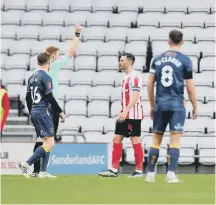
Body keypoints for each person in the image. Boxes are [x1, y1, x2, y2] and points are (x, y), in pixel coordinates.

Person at [145, 30, 198, 183]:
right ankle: (171, 175)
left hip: (161, 104)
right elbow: (190, 88)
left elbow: (149, 85)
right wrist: (195, 106)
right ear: (181, 42)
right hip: (177, 105)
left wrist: (152, 105)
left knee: (156, 139)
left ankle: (150, 175)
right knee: (174, 140)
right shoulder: (185, 61)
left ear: (169, 41)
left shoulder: (156, 60)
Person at [31, 24, 82, 177]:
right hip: (49, 107)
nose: (60, 57)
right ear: (52, 56)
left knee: (41, 139)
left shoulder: (36, 71)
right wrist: (77, 34)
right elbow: (72, 52)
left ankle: (36, 171)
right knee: (49, 140)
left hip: (37, 107)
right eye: (58, 54)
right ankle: (41, 170)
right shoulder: (53, 66)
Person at [19, 52, 66, 178]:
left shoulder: (32, 77)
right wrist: (60, 111)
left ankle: (43, 171)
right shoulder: (46, 77)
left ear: (38, 62)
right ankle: (27, 163)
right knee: (50, 143)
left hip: (34, 111)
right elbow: (50, 97)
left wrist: (30, 112)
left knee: (45, 141)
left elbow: (28, 98)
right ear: (49, 63)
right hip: (42, 111)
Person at [98, 53, 144, 177]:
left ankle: (139, 170)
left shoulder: (135, 77)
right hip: (124, 114)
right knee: (116, 139)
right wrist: (122, 112)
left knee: (135, 139)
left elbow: (135, 97)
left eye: (121, 60)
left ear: (129, 62)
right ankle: (113, 169)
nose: (119, 62)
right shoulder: (125, 77)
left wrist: (125, 111)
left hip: (133, 115)